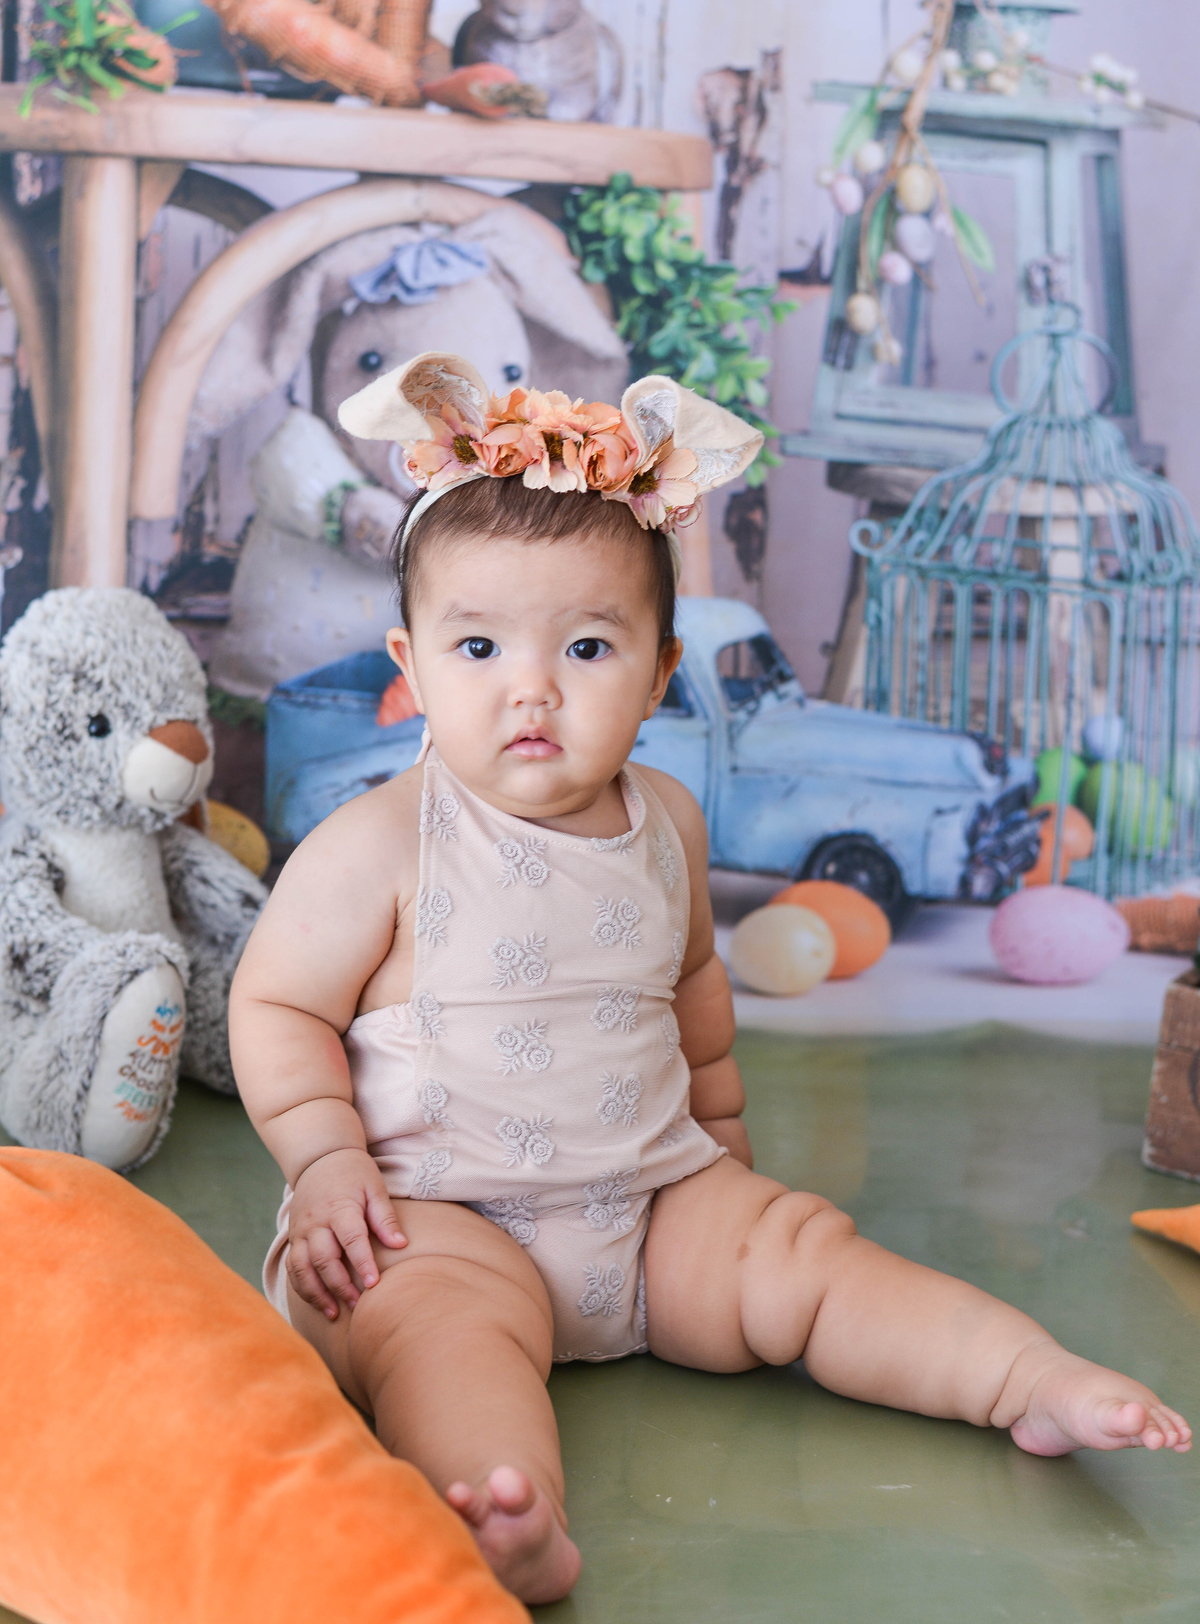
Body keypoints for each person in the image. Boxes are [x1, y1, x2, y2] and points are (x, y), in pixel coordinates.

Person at [230, 355, 1191, 1608]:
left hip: (651, 1205)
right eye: (479, 645)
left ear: (662, 668)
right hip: (435, 1219)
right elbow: (278, 1006)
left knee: (809, 1255)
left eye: (585, 645)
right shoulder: (377, 841)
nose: (532, 688)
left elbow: (694, 1003)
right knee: (440, 1343)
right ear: (411, 660)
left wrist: (723, 1160)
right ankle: (505, 1509)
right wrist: (324, 1162)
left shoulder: (667, 820)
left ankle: (1023, 1378)